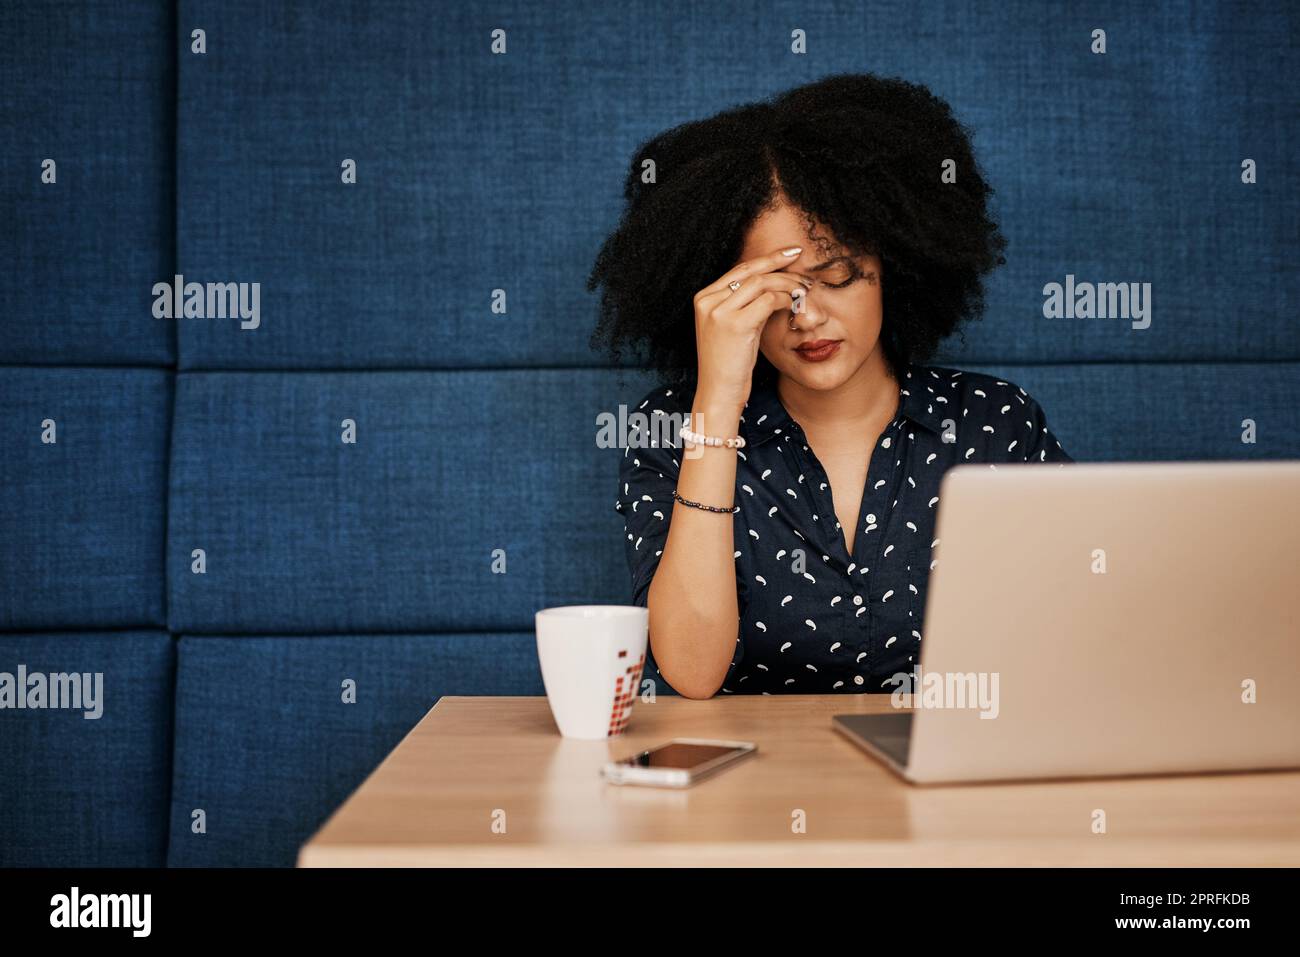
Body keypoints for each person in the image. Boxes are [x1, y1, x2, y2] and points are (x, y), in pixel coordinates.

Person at [588, 73, 1071, 698]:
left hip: (953, 779)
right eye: (771, 291)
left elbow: (1072, 639)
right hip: (751, 788)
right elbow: (690, 672)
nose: (806, 316)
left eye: (837, 276)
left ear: (891, 269)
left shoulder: (993, 423)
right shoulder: (670, 432)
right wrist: (716, 405)